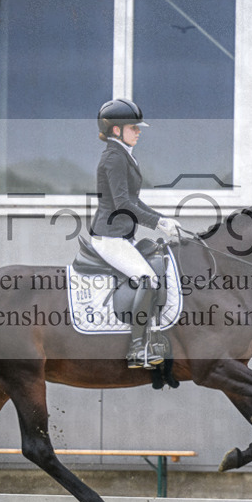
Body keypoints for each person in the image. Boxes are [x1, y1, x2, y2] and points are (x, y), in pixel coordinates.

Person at [89, 98, 182, 369]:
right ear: (116, 130)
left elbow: (134, 200)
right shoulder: (113, 157)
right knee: (148, 279)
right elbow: (123, 204)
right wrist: (156, 224)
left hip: (121, 236)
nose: (139, 131)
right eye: (133, 127)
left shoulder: (123, 154)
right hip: (110, 237)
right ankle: (138, 348)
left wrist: (161, 219)